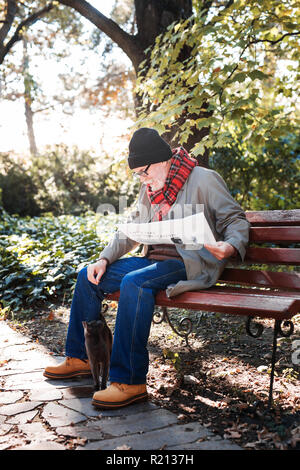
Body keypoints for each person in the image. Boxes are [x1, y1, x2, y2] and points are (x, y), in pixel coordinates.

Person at [44, 127, 250, 409]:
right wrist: (104, 259)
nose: (142, 179)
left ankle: (129, 382)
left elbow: (235, 219)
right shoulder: (150, 189)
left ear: (163, 160)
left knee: (134, 282)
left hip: (188, 264)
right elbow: (130, 230)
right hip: (153, 261)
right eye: (138, 174)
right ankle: (79, 357)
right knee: (87, 276)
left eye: (144, 171)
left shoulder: (204, 180)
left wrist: (229, 246)